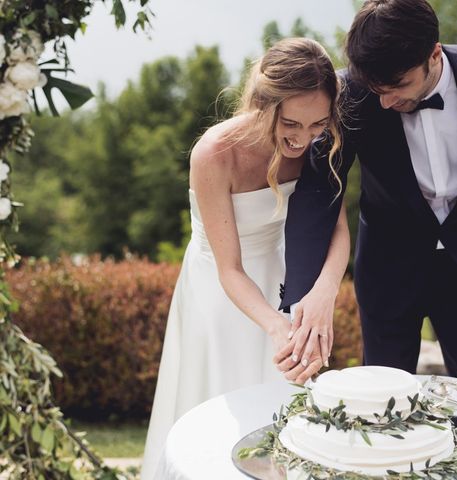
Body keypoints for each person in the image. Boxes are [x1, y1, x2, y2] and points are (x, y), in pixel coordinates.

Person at [278, 0, 457, 379]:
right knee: (383, 402)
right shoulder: (351, 91)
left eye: (398, 87)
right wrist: (306, 292)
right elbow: (318, 186)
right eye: (377, 90)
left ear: (433, 54)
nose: (385, 102)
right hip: (389, 266)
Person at [140, 37, 350, 480]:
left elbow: (338, 226)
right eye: (290, 123)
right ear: (262, 102)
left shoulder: (320, 140)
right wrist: (276, 325)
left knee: (280, 413)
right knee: (217, 413)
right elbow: (229, 269)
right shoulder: (214, 153)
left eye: (317, 124)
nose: (303, 138)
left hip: (279, 277)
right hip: (219, 290)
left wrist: (323, 291)